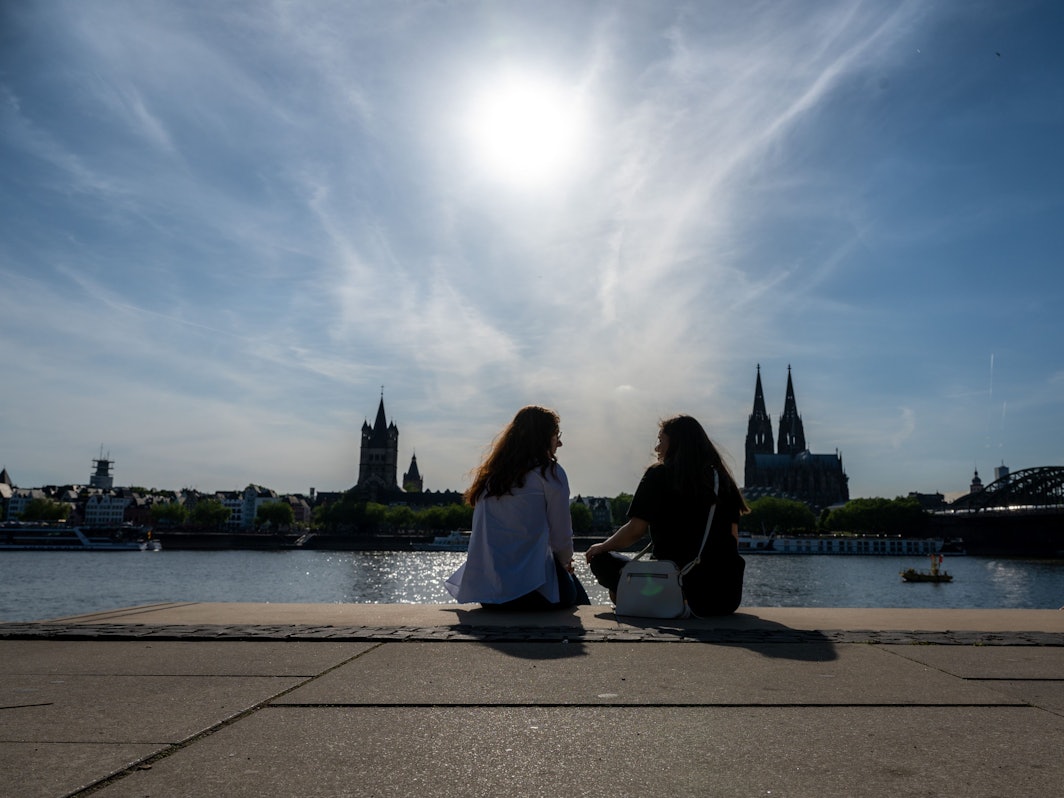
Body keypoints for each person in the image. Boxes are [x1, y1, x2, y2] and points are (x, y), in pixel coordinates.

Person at [585, 414, 749, 616]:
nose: (656, 448)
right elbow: (733, 538)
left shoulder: (659, 474)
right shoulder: (722, 480)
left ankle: (651, 599)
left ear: (676, 443)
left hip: (676, 588)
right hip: (724, 597)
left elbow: (635, 531)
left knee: (601, 558)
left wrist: (601, 547)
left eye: (660, 440)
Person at [445, 406, 589, 610]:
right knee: (581, 603)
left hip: (489, 595)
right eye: (556, 435)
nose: (560, 442)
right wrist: (565, 564)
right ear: (543, 438)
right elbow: (562, 538)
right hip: (534, 593)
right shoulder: (550, 474)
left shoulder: (490, 478)